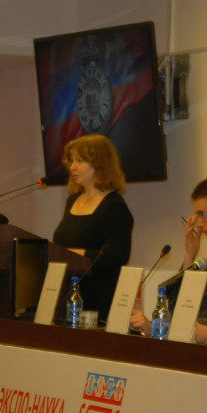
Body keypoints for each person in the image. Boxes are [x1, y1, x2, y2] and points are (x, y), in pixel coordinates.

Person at [133, 173, 207, 342]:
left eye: (203, 214)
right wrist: (190, 254)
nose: (199, 223)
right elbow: (178, 308)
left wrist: (176, 328)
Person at [51, 135, 133, 317]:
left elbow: (118, 255)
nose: (72, 167)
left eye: (79, 161)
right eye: (71, 160)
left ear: (100, 164)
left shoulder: (113, 206)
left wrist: (79, 254)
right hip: (66, 294)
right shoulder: (72, 200)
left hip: (97, 300)